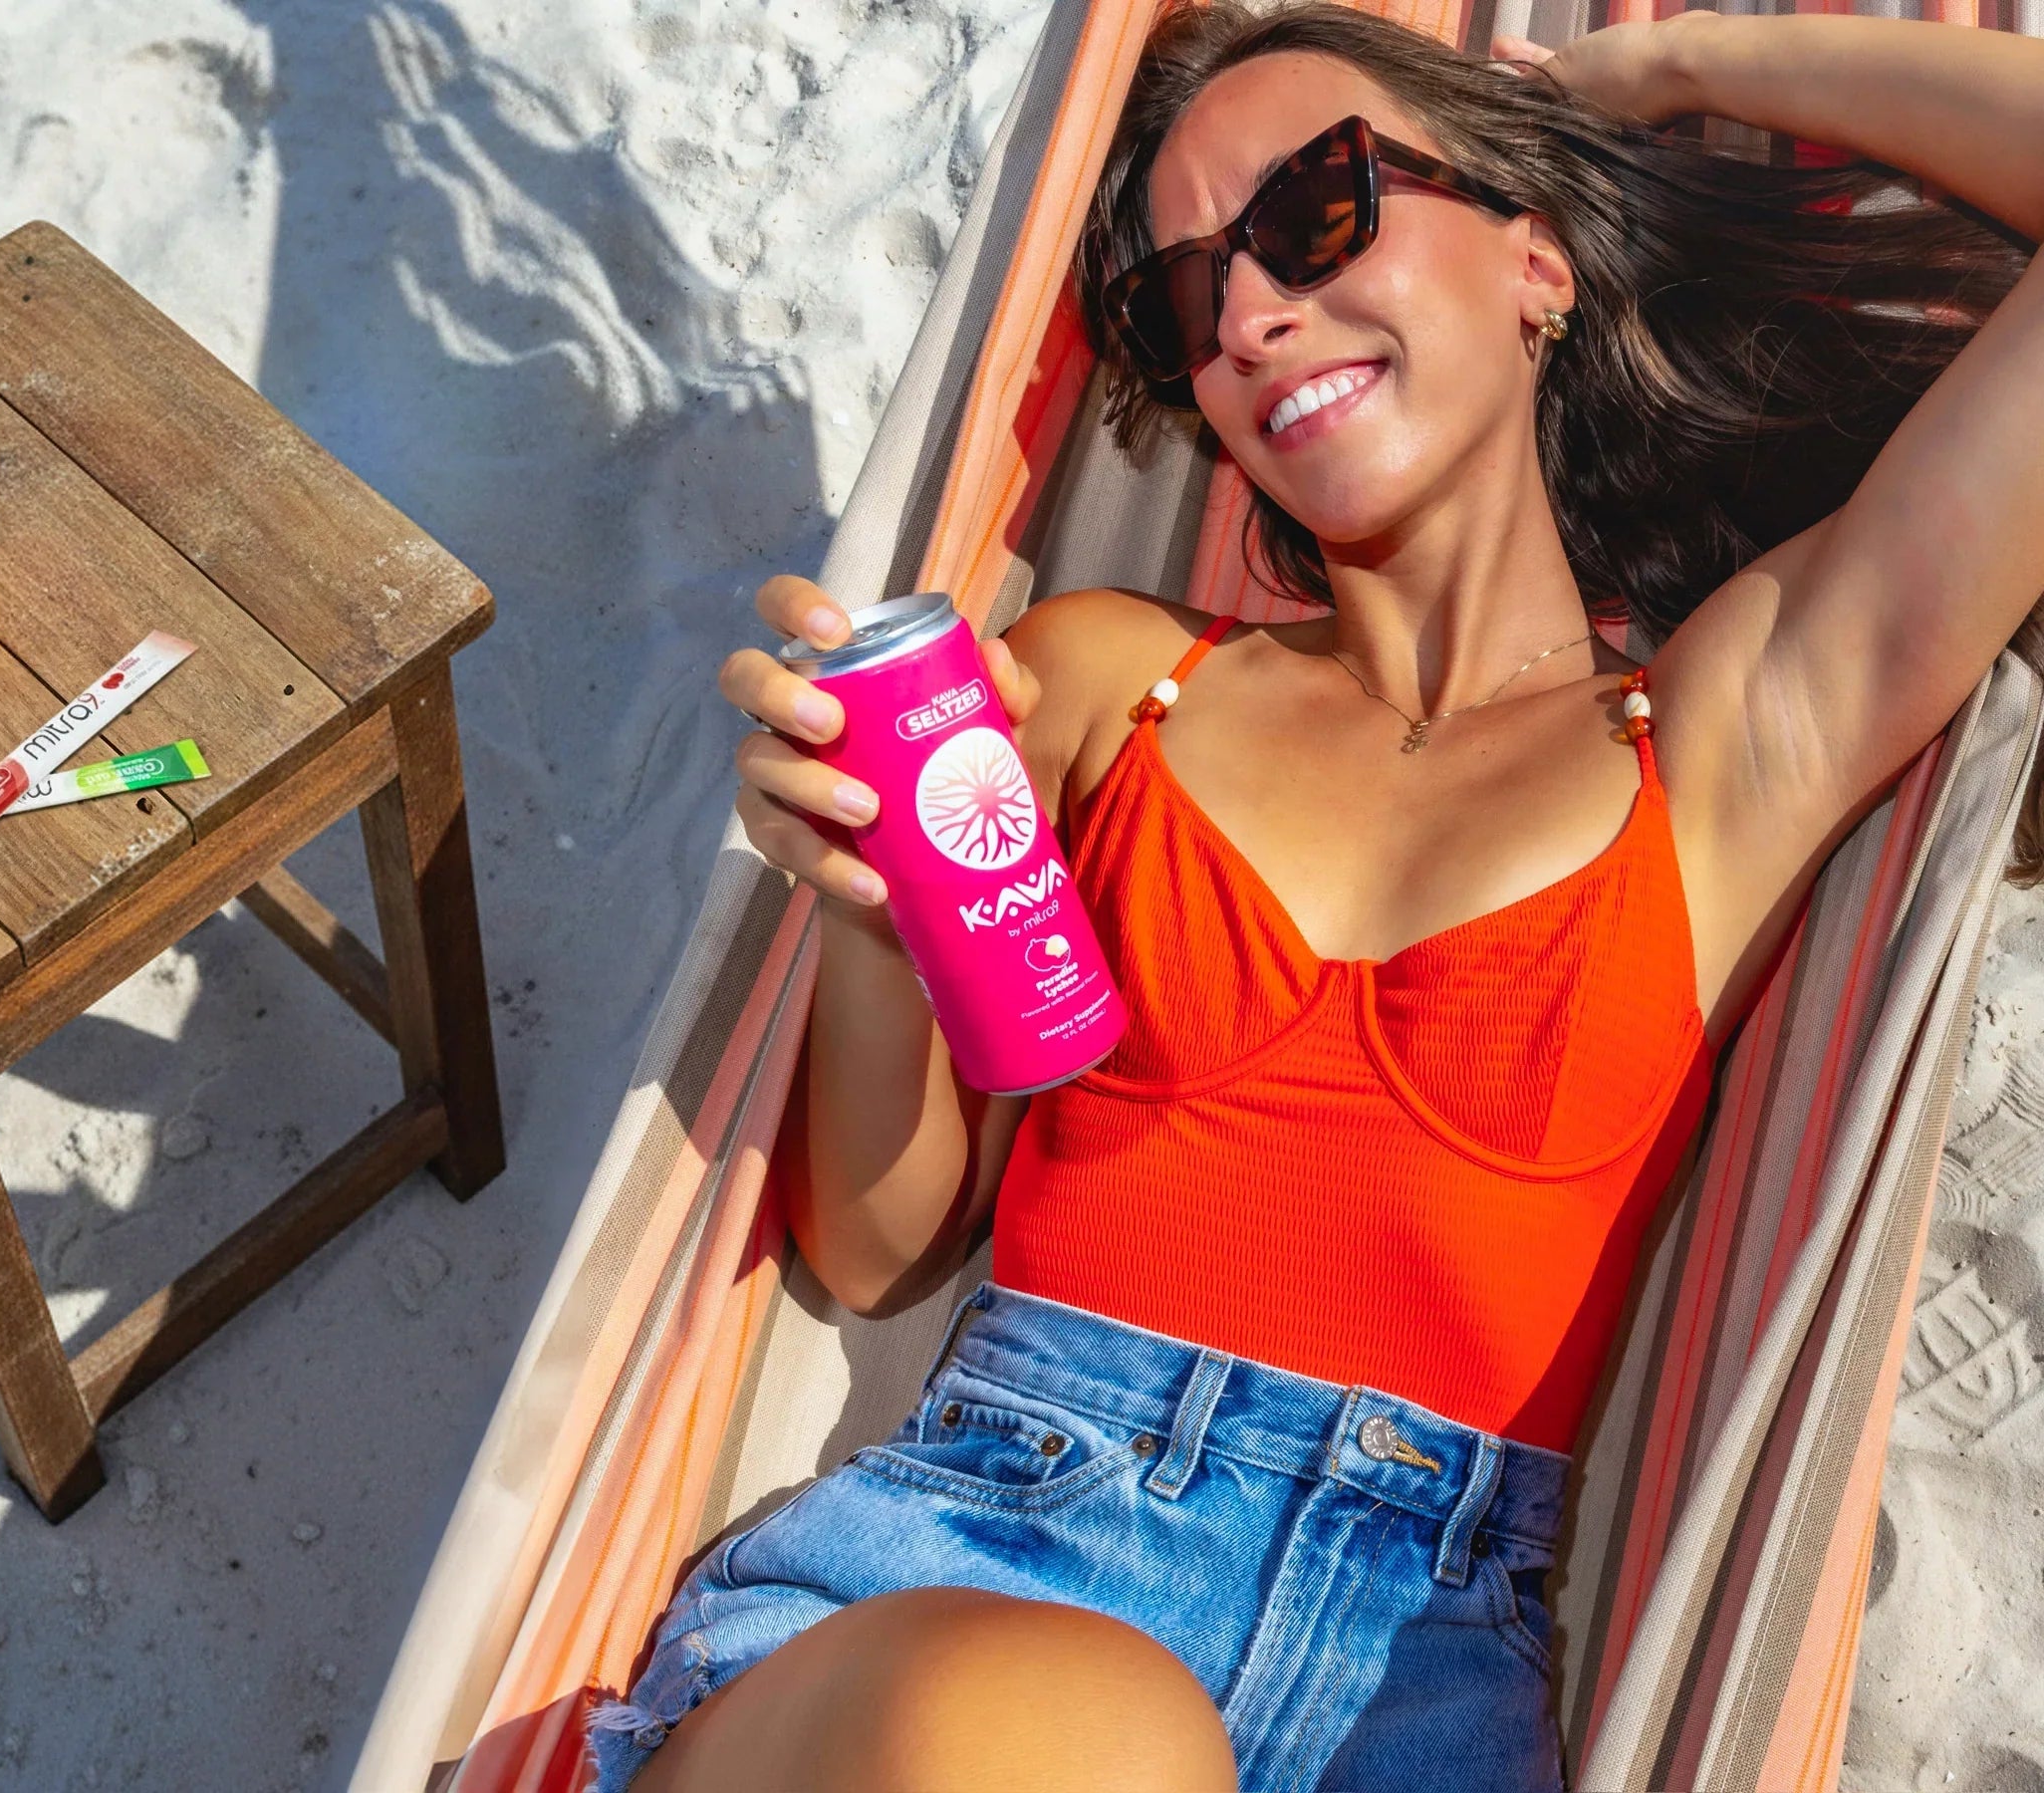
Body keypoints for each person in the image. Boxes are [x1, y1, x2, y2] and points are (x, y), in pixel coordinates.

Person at [589, 4, 2044, 1790]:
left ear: (1538, 261)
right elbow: (881, 1254)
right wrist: (879, 916)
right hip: (990, 1571)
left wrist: (1667, 78)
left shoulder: (1734, 735)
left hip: (1418, 1689)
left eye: (1320, 209)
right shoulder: (1116, 679)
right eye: (1184, 302)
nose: (1253, 315)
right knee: (1096, 1741)